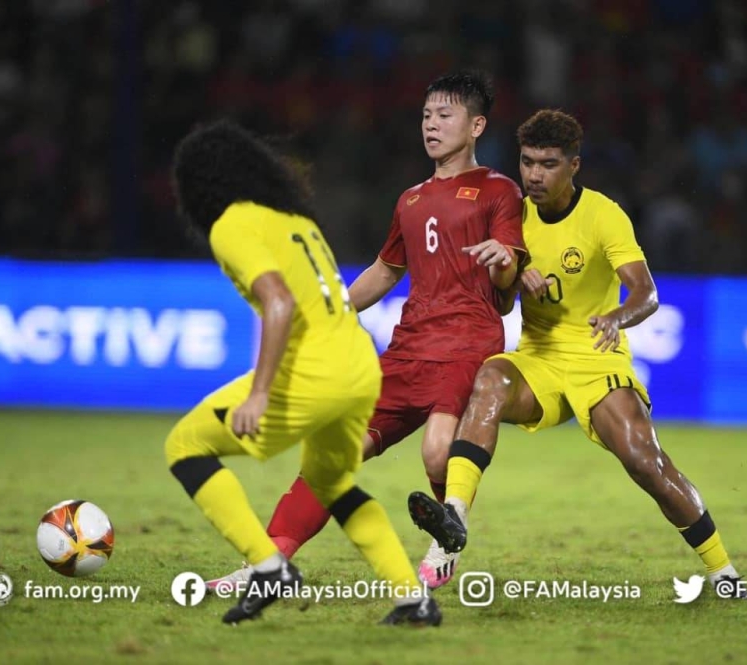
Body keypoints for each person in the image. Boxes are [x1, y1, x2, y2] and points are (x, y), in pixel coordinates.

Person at [206, 70, 526, 593]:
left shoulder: (498, 190)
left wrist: (502, 262)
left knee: (436, 450)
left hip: (466, 343)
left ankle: (447, 540)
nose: (431, 124)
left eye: (444, 115)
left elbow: (509, 266)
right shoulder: (411, 200)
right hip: (406, 350)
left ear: (476, 126)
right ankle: (267, 565)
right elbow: (384, 271)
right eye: (426, 115)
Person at [408, 110, 743, 592]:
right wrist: (509, 274)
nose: (534, 175)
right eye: (527, 163)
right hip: (538, 358)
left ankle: (723, 571)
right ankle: (452, 524)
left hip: (595, 359)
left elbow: (646, 293)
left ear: (574, 166)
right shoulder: (512, 215)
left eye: (548, 164)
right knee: (489, 381)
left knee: (645, 463)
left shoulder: (604, 215)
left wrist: (616, 317)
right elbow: (500, 302)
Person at [167, 119, 439, 626]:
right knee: (331, 484)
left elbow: (279, 302)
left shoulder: (233, 223)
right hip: (359, 367)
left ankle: (268, 566)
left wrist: (260, 393)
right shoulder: (295, 220)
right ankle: (413, 598)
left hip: (314, 372)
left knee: (185, 446)